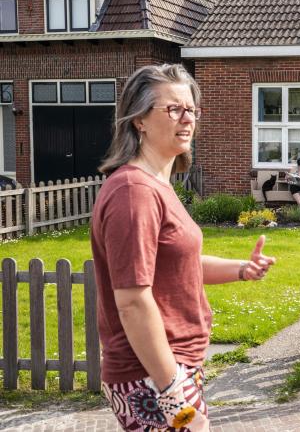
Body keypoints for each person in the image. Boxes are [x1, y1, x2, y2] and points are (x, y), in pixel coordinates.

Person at [91, 64, 276, 431]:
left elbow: (179, 265)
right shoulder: (134, 192)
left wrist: (242, 268)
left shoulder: (158, 185)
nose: (187, 118)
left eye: (192, 109)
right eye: (173, 109)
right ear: (139, 119)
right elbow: (132, 301)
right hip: (151, 373)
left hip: (173, 366)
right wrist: (173, 389)